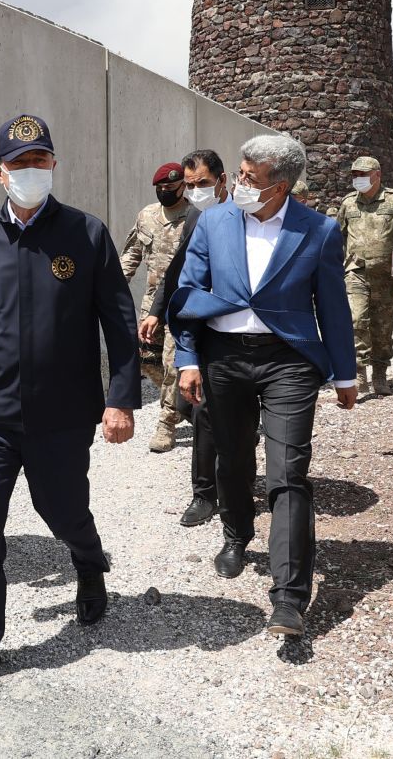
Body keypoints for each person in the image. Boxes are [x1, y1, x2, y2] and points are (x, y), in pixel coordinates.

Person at [0, 114, 140, 703]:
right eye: (19, 164)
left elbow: (120, 326)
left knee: (63, 513)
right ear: (0, 172)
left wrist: (121, 399)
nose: (31, 172)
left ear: (54, 165)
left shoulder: (86, 233)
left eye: (40, 161)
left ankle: (88, 560)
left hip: (63, 416)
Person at [171, 133, 357, 638]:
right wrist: (187, 359)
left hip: (288, 362)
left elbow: (333, 307)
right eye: (241, 172)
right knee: (232, 458)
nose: (242, 183)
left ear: (281, 186)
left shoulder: (318, 231)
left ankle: (289, 597)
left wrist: (345, 373)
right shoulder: (212, 222)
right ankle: (236, 534)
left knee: (289, 472)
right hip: (224, 359)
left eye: (251, 177)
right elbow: (187, 294)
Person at [140, 149, 231, 528]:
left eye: (202, 185)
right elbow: (178, 267)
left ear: (222, 182)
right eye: (190, 186)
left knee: (228, 412)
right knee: (198, 405)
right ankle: (203, 494)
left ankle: (235, 485)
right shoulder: (196, 215)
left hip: (239, 327)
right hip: (199, 322)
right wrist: (156, 311)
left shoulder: (244, 214)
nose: (194, 192)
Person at [336, 155, 393, 399]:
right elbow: (337, 237)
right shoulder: (348, 204)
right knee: (356, 320)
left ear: (377, 174)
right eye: (354, 175)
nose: (358, 179)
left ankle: (380, 372)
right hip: (356, 272)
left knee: (382, 327)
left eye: (363, 174)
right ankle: (359, 371)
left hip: (389, 275)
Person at [120, 162, 189, 452]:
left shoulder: (195, 217)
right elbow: (132, 254)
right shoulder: (147, 216)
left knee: (172, 364)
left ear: (182, 186)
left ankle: (166, 423)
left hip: (182, 304)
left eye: (170, 188)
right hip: (151, 306)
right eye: (160, 189)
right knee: (148, 361)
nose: (164, 193)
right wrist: (113, 286)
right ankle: (186, 404)